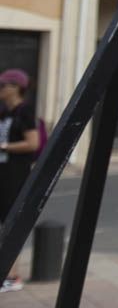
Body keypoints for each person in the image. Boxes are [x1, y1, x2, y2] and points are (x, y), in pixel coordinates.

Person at [0, 69, 38, 293]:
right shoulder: (4, 112)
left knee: (11, 224)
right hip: (2, 173)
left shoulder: (25, 112)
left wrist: (5, 147)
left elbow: (32, 143)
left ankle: (13, 276)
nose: (1, 90)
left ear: (16, 88)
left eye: (3, 85)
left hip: (16, 175)